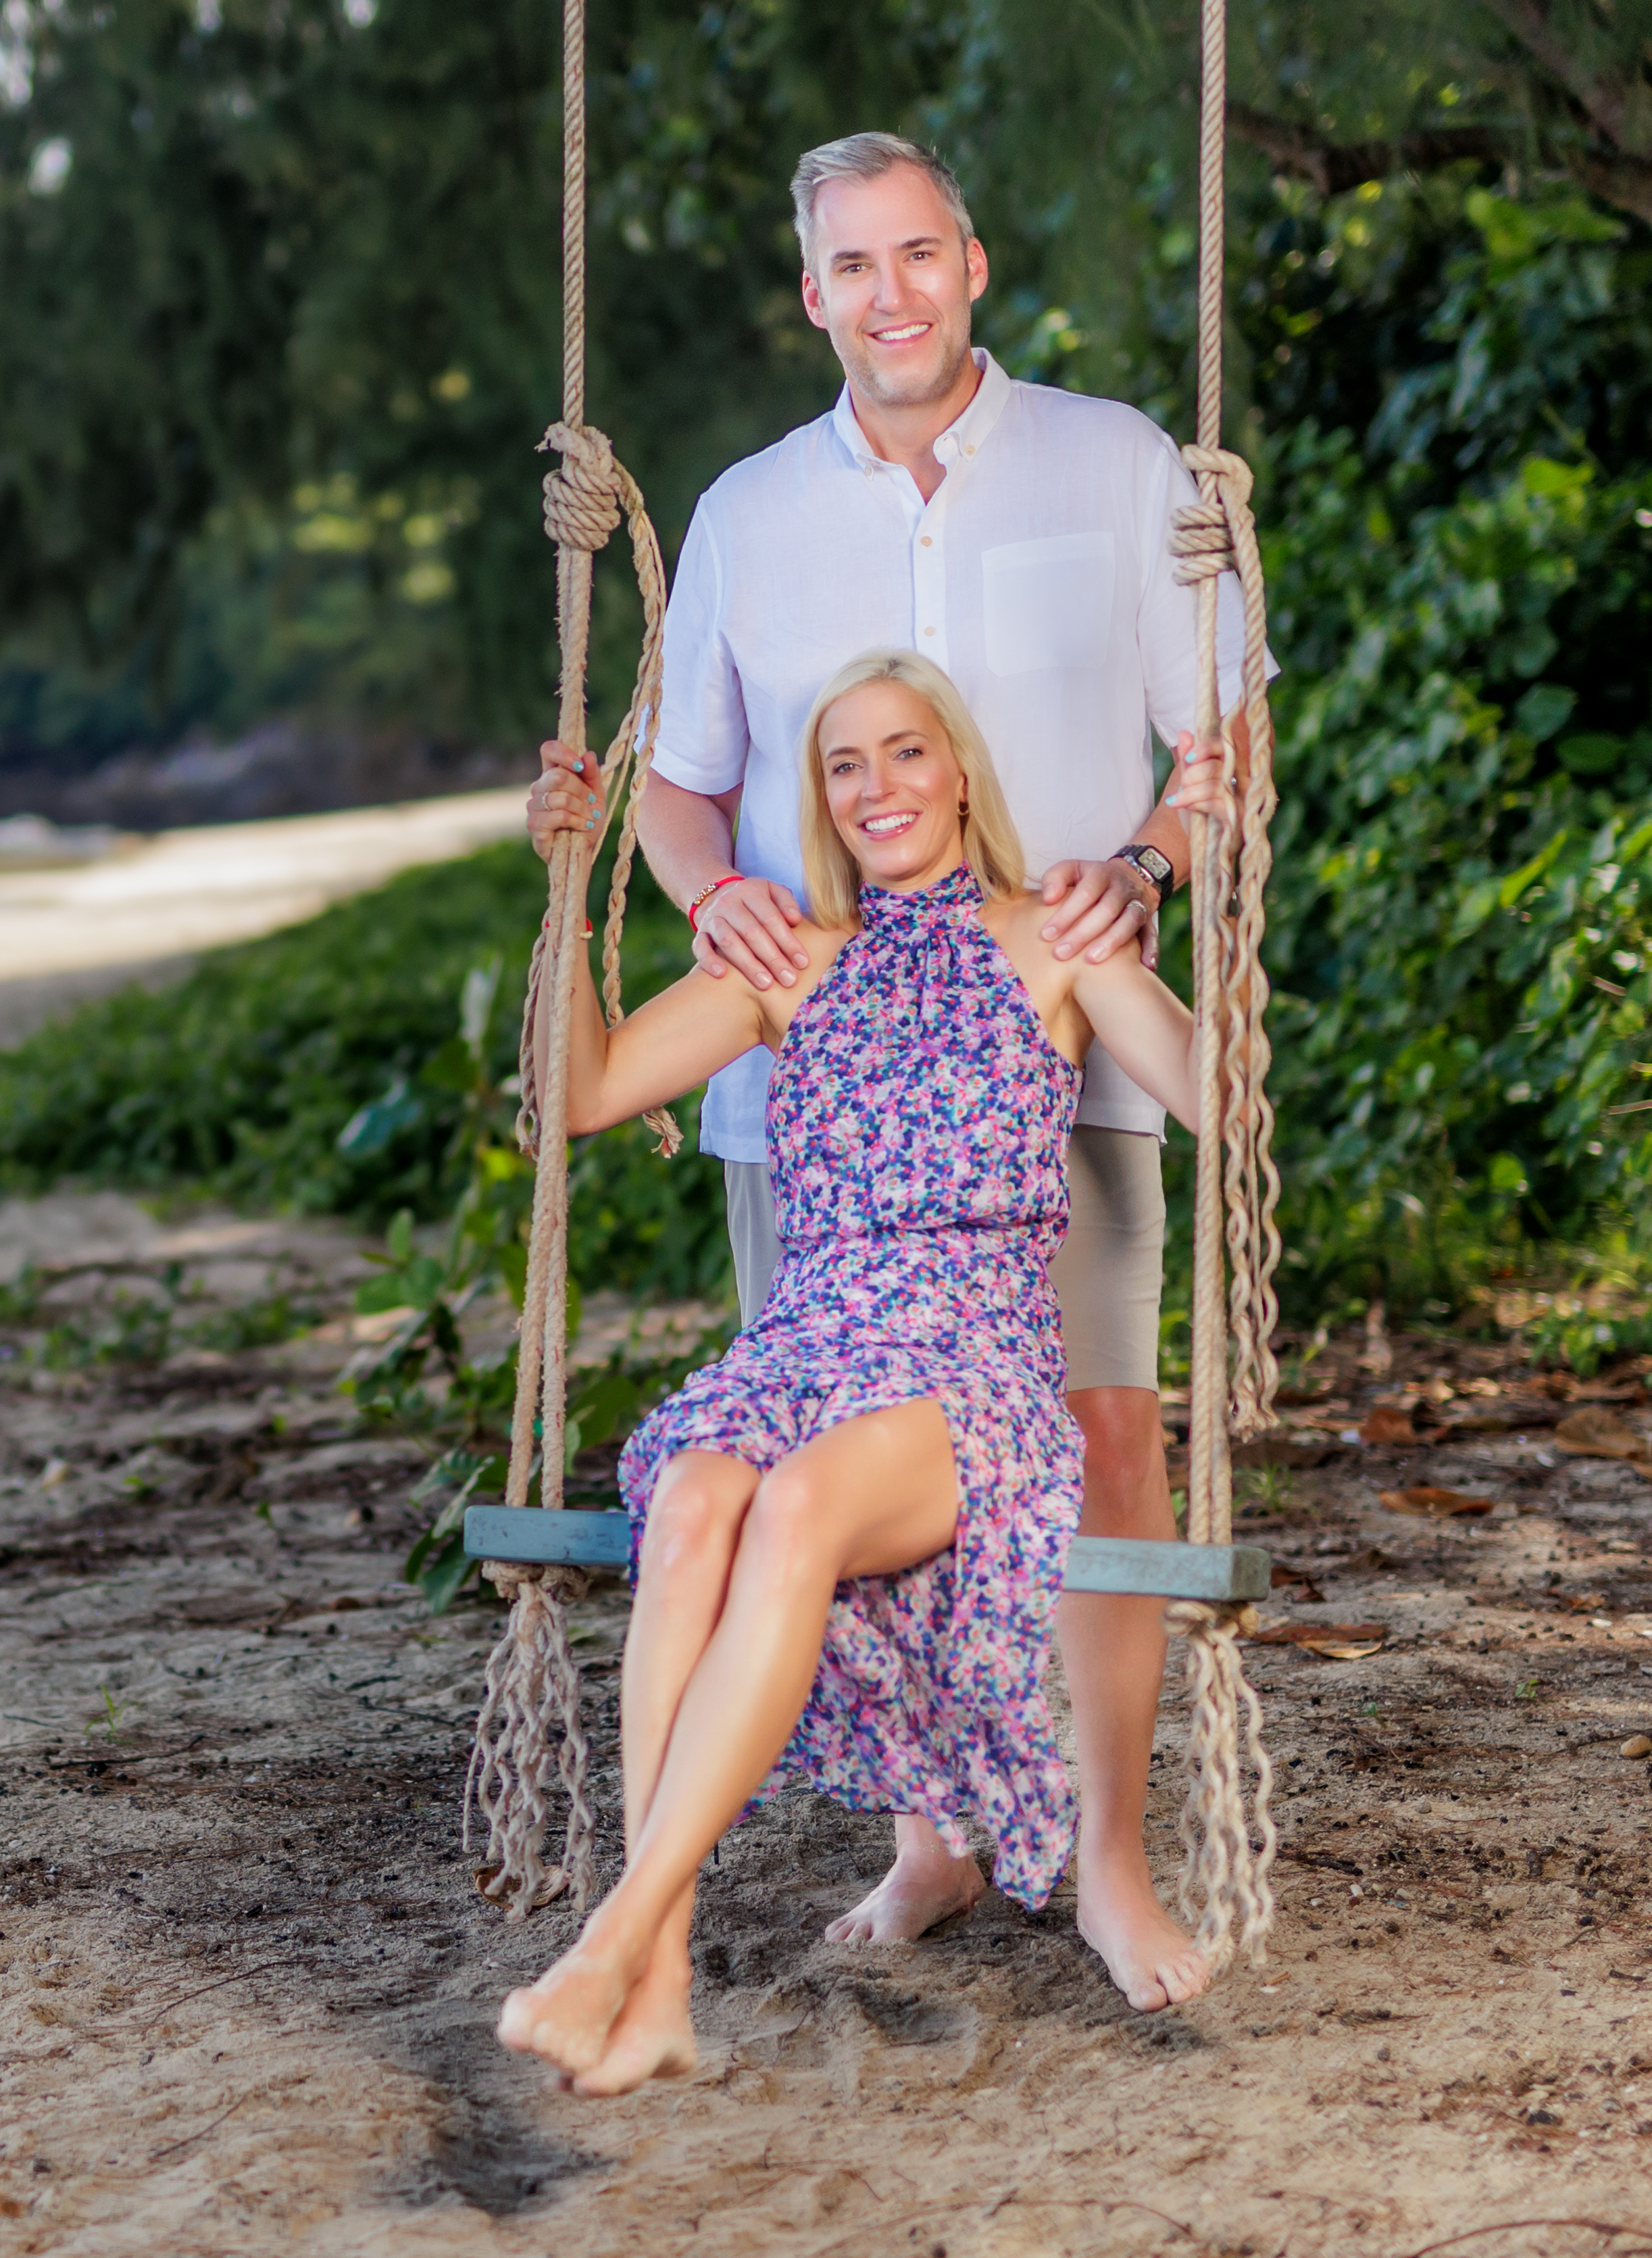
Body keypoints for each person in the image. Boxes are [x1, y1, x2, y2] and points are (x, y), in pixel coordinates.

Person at [530, 129, 1268, 2011]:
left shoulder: (1114, 463)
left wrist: (1154, 876)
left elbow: (1224, 746)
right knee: (827, 1464)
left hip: (1060, 1031)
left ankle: (1102, 1856)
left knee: (1102, 1435)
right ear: (813, 294)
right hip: (827, 1067)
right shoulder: (753, 511)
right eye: (852, 266)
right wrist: (710, 912)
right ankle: (928, 1834)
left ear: (975, 262)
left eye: (918, 253)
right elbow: (688, 791)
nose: (891, 294)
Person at [494, 652, 1202, 2099]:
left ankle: (615, 1937)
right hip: (805, 1344)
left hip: (966, 1365)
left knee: (800, 1507)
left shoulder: (1052, 939)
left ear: (957, 773)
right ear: (818, 799)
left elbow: (1217, 1100)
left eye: (903, 752)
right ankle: (663, 1973)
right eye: (842, 764)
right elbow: (575, 1098)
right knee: (693, 1498)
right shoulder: (792, 959)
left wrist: (1214, 866)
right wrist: (569, 883)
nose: (876, 786)